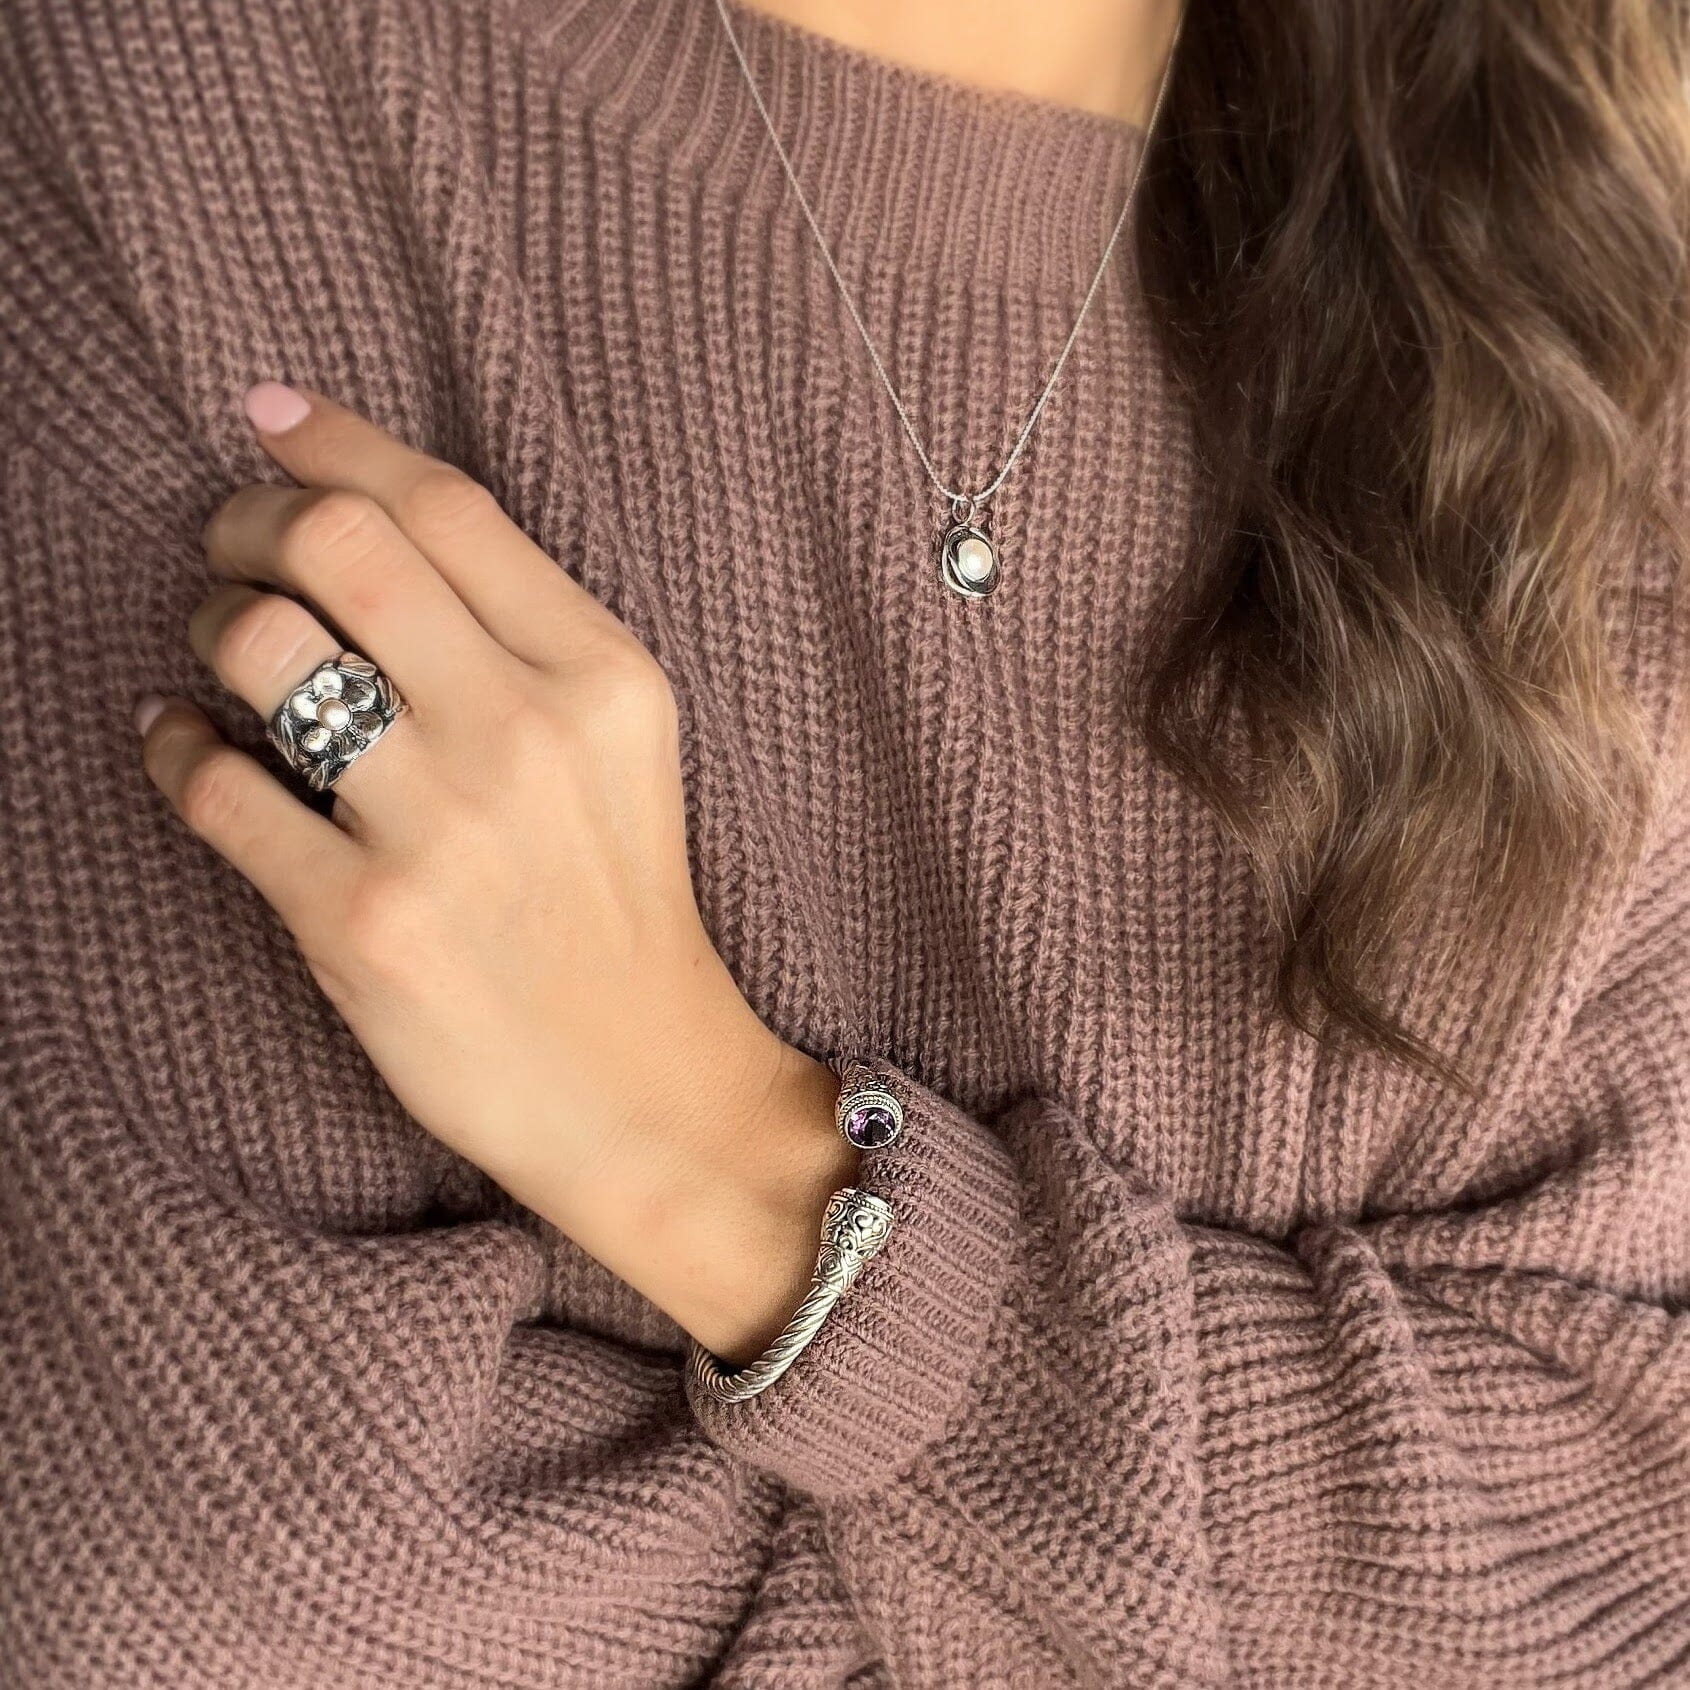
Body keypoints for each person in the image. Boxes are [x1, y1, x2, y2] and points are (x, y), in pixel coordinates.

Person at [2, 0, 1687, 1684]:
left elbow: (1621, 1588)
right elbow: (243, 1598)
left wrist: (731, 1172)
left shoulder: (1604, 257)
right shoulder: (189, 108)